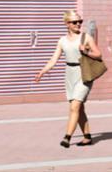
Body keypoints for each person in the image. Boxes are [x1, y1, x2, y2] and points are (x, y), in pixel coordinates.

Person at [34, 10, 100, 148]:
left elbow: (98, 55)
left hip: (84, 73)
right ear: (67, 24)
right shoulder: (62, 41)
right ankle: (87, 137)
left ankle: (67, 137)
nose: (78, 24)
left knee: (74, 106)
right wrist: (42, 72)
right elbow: (54, 59)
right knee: (79, 109)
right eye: (74, 22)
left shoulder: (86, 37)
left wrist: (86, 51)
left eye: (80, 21)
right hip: (70, 74)